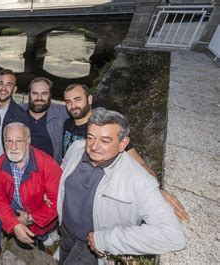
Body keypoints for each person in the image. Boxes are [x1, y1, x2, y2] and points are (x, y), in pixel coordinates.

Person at [56, 108, 185, 264]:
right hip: (65, 230)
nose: (94, 146)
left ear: (123, 144)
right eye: (90, 137)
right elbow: (62, 172)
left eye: (105, 140)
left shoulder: (139, 180)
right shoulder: (76, 148)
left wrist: (106, 240)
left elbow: (172, 235)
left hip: (91, 245)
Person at [61, 83, 189, 222]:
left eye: (78, 99)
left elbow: (140, 163)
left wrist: (154, 190)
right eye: (68, 101)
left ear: (90, 99)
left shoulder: (108, 128)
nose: (73, 105)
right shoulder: (68, 124)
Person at [0, 122, 62, 265]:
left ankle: (40, 238)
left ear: (28, 142)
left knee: (42, 232)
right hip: (15, 202)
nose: (13, 147)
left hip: (37, 207)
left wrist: (30, 219)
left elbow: (57, 203)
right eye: (9, 141)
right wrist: (14, 224)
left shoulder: (48, 165)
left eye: (19, 140)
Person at [25, 77, 69, 164]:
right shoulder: (17, 112)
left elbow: (86, 113)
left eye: (44, 93)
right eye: (35, 93)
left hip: (50, 173)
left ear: (50, 96)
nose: (39, 98)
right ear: (29, 94)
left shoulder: (61, 112)